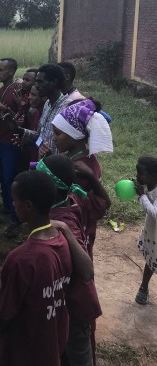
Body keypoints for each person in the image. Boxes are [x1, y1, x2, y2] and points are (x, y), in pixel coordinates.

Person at [0, 170, 72, 366]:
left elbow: (4, 314)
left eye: (14, 200)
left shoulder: (21, 259)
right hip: (52, 344)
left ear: (28, 206)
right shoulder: (63, 242)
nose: (12, 205)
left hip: (22, 351)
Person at [37, 155, 101, 366]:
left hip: (75, 304)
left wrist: (64, 229)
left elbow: (87, 271)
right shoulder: (74, 198)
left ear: (50, 189)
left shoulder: (62, 221)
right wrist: (92, 178)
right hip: (68, 301)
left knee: (78, 354)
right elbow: (104, 203)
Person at [52, 98, 114, 257]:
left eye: (58, 133)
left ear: (75, 135)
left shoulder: (80, 169)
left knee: (76, 260)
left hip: (76, 230)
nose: (53, 138)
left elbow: (97, 206)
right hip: (77, 227)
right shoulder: (82, 157)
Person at [0, 58, 23, 235]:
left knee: (11, 177)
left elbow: (22, 115)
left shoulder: (18, 89)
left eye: (1, 70)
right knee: (2, 174)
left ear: (11, 71)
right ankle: (7, 205)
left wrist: (4, 108)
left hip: (12, 141)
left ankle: (15, 218)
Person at [17, 63, 73, 158]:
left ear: (54, 82)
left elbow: (71, 146)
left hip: (57, 165)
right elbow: (40, 137)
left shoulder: (68, 109)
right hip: (43, 163)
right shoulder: (47, 104)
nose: (36, 86)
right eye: (36, 82)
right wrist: (19, 130)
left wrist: (52, 156)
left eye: (40, 82)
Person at [135, 155, 157, 305]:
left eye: (141, 173)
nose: (138, 176)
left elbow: (154, 212)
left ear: (154, 175)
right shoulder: (150, 185)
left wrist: (142, 195)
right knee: (150, 260)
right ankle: (144, 287)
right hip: (152, 232)